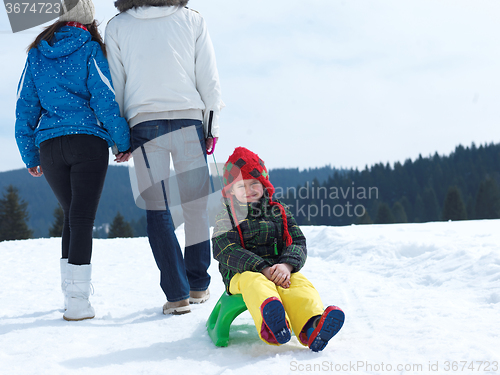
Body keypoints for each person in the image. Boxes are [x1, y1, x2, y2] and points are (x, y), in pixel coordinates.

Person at [15, 0, 131, 321]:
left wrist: (28, 152)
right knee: (81, 218)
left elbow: (25, 105)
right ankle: (78, 303)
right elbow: (106, 99)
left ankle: (70, 296)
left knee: (71, 215)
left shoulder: (37, 52)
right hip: (87, 144)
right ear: (88, 18)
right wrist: (122, 141)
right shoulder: (91, 49)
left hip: (50, 147)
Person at [105, 0, 223, 315]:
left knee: (158, 211)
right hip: (189, 120)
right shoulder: (192, 20)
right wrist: (211, 129)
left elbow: (116, 86)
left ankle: (177, 295)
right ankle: (199, 285)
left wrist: (119, 139)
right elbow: (209, 79)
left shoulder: (117, 25)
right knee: (195, 206)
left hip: (143, 124)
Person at [212, 147, 345, 351]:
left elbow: (297, 240)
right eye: (241, 186)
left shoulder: (278, 210)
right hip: (241, 274)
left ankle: (313, 327)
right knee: (255, 282)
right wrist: (262, 267)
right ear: (231, 190)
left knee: (300, 284)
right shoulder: (227, 214)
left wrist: (287, 265)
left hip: (279, 271)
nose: (249, 190)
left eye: (254, 183)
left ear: (264, 184)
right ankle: (272, 325)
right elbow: (224, 248)